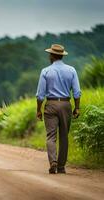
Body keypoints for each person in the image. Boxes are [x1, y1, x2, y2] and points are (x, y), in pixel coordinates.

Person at [36, 44, 81, 174]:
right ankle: (61, 167)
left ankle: (53, 162)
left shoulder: (45, 71)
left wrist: (38, 110)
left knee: (51, 136)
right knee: (64, 137)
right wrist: (77, 108)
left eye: (50, 54)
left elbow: (40, 95)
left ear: (52, 56)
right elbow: (77, 92)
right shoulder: (72, 70)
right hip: (66, 105)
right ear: (61, 55)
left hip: (50, 105)